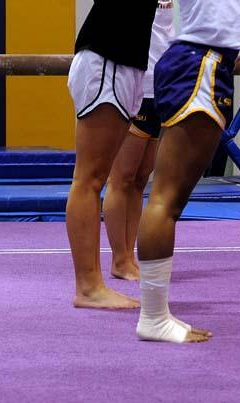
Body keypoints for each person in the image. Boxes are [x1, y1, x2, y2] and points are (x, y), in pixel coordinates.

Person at [135, 0, 240, 342]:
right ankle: (153, 317)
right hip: (200, 61)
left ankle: (156, 314)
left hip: (202, 60)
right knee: (165, 200)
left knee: (169, 200)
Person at [66, 1, 157, 309]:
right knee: (89, 179)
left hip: (129, 63)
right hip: (107, 59)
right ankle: (88, 286)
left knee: (98, 178)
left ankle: (94, 283)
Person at [102, 1, 174, 282]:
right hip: (135, 83)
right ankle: (118, 259)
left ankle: (129, 256)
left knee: (141, 178)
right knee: (121, 178)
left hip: (161, 86)